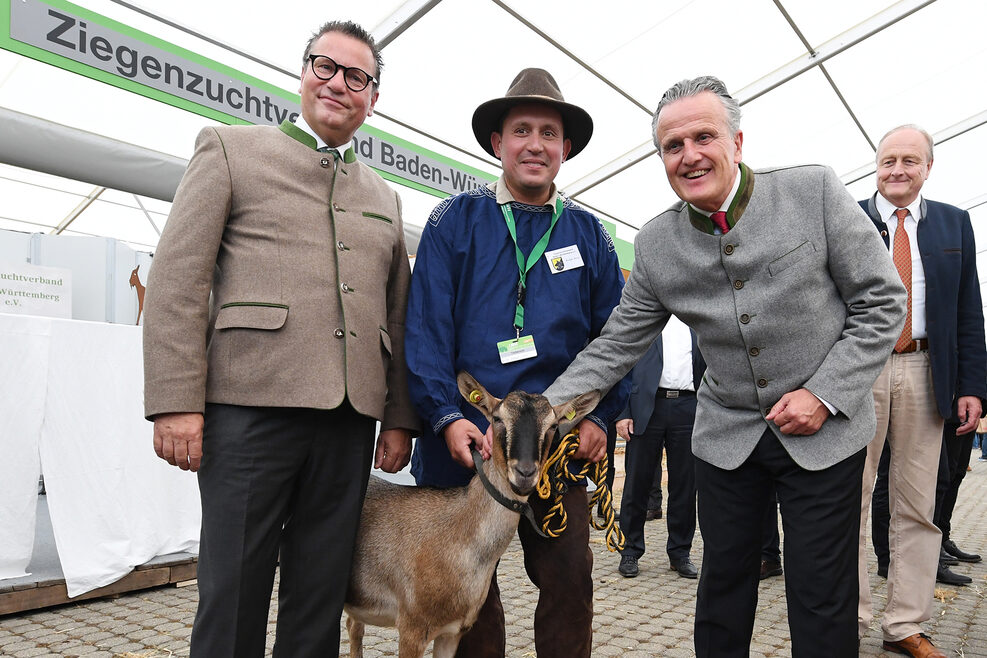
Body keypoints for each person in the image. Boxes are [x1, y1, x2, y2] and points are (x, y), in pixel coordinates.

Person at [542, 75, 906, 657]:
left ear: (737, 143)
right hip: (727, 436)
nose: (689, 156)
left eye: (703, 137)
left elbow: (883, 302)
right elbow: (614, 345)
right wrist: (541, 411)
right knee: (722, 594)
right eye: (672, 146)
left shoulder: (813, 192)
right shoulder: (658, 243)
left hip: (826, 432)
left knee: (820, 598)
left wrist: (825, 394)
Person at [142, 20, 419, 657]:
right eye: (326, 67)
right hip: (248, 415)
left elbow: (397, 316)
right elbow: (178, 281)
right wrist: (176, 400)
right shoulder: (230, 150)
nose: (339, 85)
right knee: (233, 594)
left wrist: (399, 418)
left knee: (318, 600)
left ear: (373, 98)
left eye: (358, 77)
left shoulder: (384, 195)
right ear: (303, 73)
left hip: (349, 423)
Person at [404, 67, 629, 658]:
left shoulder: (591, 236)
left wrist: (600, 421)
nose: (536, 144)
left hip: (555, 448)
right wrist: (443, 417)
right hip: (470, 440)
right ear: (496, 143)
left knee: (569, 583)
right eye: (521, 129)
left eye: (549, 132)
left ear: (566, 148)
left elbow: (618, 339)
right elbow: (425, 330)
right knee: (468, 597)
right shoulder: (453, 222)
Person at [856, 124, 986, 657]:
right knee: (848, 500)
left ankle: (905, 625)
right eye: (888, 160)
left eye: (910, 160)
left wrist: (973, 385)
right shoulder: (851, 219)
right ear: (876, 167)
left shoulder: (954, 223)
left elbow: (968, 310)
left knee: (916, 504)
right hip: (858, 372)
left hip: (926, 369)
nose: (898, 170)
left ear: (928, 167)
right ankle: (849, 618)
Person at [615, 315, 704, 580]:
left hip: (688, 408)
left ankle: (680, 552)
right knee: (636, 484)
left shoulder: (697, 319)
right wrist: (623, 412)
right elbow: (622, 365)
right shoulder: (647, 318)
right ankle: (630, 550)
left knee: (685, 487)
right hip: (646, 409)